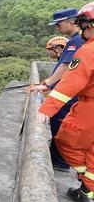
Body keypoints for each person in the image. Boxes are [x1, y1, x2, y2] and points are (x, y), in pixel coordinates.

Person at [37, 2, 94, 202]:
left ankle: (84, 180)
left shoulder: (86, 49)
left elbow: (70, 82)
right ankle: (87, 189)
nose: (81, 29)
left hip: (89, 107)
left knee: (66, 141)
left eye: (83, 24)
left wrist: (45, 108)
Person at [34, 9, 85, 171]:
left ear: (72, 22)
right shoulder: (78, 40)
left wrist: (47, 83)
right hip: (70, 95)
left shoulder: (76, 41)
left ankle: (60, 162)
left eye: (59, 24)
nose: (57, 27)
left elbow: (65, 67)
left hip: (68, 97)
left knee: (60, 126)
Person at [39, 36, 70, 171]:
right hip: (62, 101)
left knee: (60, 132)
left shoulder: (66, 64)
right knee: (56, 131)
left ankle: (60, 163)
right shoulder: (62, 62)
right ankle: (57, 160)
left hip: (64, 103)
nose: (48, 53)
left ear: (58, 49)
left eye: (49, 50)